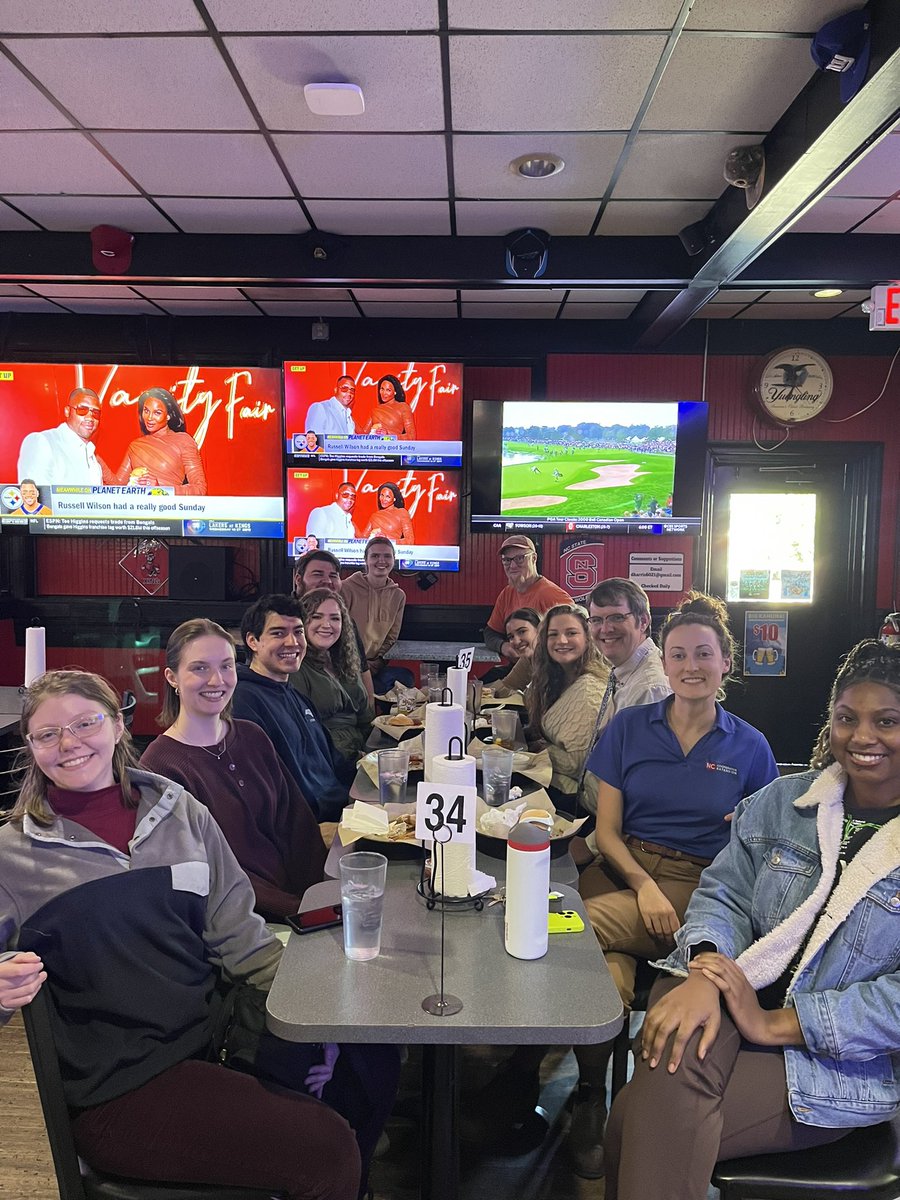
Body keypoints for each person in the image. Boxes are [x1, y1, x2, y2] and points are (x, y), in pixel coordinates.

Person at [0, 669, 398, 1200]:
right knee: (326, 1150)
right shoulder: (12, 855)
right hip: (122, 1086)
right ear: (30, 747)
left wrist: (338, 999)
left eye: (85, 723)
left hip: (213, 1038)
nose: (69, 743)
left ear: (119, 726)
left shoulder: (179, 812)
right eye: (47, 734)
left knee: (369, 1061)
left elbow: (241, 939)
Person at [605, 639, 900, 1200]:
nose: (862, 737)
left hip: (830, 1056)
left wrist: (774, 1024)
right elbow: (723, 892)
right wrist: (705, 969)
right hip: (722, 988)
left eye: (886, 721)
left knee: (633, 1127)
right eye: (846, 718)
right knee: (652, 1108)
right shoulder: (785, 801)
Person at [571, 593, 778, 1178]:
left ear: (725, 663)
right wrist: (642, 886)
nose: (691, 665)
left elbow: (757, 845)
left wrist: (752, 826)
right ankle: (594, 1098)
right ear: (664, 658)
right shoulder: (631, 727)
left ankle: (629, 1111)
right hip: (623, 869)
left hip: (700, 886)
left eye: (704, 654)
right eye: (679, 653)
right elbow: (607, 833)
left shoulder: (751, 747)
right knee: (600, 979)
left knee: (573, 935)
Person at [140, 618, 326, 921]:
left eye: (226, 666)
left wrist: (324, 894)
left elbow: (298, 826)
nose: (217, 681)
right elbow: (209, 873)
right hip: (247, 921)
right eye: (200, 668)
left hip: (301, 903)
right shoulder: (160, 768)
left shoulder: (252, 735)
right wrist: (298, 911)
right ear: (172, 677)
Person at [231, 594, 350, 823]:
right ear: (253, 641)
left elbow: (335, 764)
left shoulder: (296, 696)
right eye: (278, 633)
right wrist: (311, 835)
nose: (293, 642)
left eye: (298, 631)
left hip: (343, 813)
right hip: (310, 829)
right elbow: (258, 796)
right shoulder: (243, 701)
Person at [579, 577, 673, 816]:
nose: (605, 629)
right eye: (597, 620)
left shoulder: (652, 688)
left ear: (643, 621)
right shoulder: (624, 670)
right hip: (594, 808)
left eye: (617, 617)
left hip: (614, 827)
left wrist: (592, 843)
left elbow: (645, 788)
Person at [526, 604, 609, 808]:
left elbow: (577, 763)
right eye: (553, 634)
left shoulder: (589, 688)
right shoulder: (556, 678)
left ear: (588, 638)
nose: (561, 641)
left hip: (582, 802)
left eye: (571, 633)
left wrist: (539, 751)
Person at [295, 589, 372, 764]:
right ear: (301, 623)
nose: (327, 624)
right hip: (331, 763)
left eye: (335, 618)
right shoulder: (296, 667)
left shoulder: (344, 660)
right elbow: (305, 737)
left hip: (363, 753)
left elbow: (365, 718)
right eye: (316, 616)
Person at [293, 550, 374, 705]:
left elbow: (363, 670)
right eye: (318, 574)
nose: (327, 581)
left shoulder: (346, 621)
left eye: (333, 575)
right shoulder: (283, 618)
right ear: (298, 579)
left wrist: (372, 719)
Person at [482, 535, 572, 666]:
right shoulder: (507, 593)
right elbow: (490, 633)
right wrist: (503, 646)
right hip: (517, 670)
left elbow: (572, 642)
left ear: (534, 558)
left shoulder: (552, 596)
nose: (512, 565)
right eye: (507, 560)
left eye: (520, 558)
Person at [341, 536, 413, 694]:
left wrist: (378, 662)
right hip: (345, 664)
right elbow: (338, 631)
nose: (381, 561)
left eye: (387, 556)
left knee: (405, 679)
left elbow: (391, 637)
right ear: (365, 560)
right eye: (375, 556)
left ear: (394, 560)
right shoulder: (345, 588)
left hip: (375, 666)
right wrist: (357, 664)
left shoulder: (398, 595)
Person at [114, 387, 207, 495]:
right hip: (139, 509)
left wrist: (160, 490)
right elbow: (117, 487)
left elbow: (200, 489)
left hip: (168, 509)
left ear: (168, 415)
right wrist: (97, 460)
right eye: (146, 411)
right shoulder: (136, 445)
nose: (149, 418)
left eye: (157, 413)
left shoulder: (183, 441)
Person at [17, 387, 114, 486]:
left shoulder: (92, 456)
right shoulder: (43, 442)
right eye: (82, 410)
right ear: (67, 411)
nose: (90, 418)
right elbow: (33, 497)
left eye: (95, 413)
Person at [491, 607, 541, 698]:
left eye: (522, 631)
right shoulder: (527, 659)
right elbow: (506, 686)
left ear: (540, 630)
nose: (516, 641)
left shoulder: (555, 660)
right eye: (511, 637)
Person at [361, 374, 416, 440]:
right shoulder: (375, 410)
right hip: (376, 448)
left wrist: (388, 434)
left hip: (394, 448)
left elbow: (411, 437)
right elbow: (363, 434)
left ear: (395, 392)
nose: (384, 393)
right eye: (382, 389)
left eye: (388, 390)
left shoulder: (403, 407)